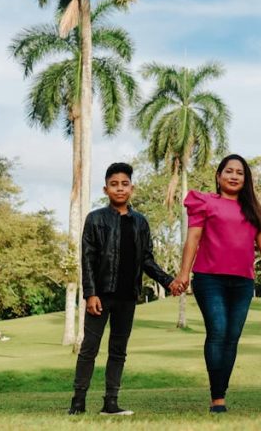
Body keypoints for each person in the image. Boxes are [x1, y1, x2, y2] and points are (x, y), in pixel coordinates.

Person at [170, 154, 261, 413]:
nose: (234, 176)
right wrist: (183, 274)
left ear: (246, 179)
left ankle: (221, 391)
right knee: (218, 331)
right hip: (210, 279)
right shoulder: (205, 202)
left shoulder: (253, 210)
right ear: (218, 177)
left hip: (242, 282)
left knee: (232, 337)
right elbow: (193, 238)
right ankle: (217, 396)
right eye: (228, 171)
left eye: (239, 173)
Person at [69, 162, 175, 416]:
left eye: (124, 184)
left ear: (132, 188)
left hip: (128, 296)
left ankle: (111, 402)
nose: (119, 189)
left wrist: (168, 281)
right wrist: (90, 293)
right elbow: (88, 258)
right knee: (89, 349)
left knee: (118, 351)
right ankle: (78, 401)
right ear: (106, 189)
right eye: (114, 185)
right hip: (101, 296)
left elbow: (147, 259)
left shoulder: (140, 222)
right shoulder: (95, 219)